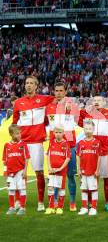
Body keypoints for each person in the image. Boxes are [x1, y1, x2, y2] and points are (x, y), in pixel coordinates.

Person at [13, 76, 55, 211]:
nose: (29, 85)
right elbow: (14, 124)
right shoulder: (18, 102)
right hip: (22, 143)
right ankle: (19, 201)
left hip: (37, 143)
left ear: (36, 86)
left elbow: (58, 98)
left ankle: (41, 202)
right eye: (27, 83)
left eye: (31, 83)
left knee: (39, 173)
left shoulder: (44, 99)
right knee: (20, 173)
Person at [46, 82, 80, 211]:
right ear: (54, 92)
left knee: (71, 175)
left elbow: (80, 119)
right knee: (54, 176)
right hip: (54, 147)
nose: (58, 93)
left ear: (65, 92)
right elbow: (45, 124)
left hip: (69, 146)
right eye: (56, 90)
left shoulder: (73, 106)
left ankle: (72, 202)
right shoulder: (49, 108)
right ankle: (54, 201)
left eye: (61, 91)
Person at [79, 96, 108, 212]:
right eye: (94, 100)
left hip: (105, 152)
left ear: (105, 103)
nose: (96, 102)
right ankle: (89, 203)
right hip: (91, 153)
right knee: (90, 178)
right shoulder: (88, 114)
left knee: (106, 179)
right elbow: (77, 116)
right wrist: (85, 109)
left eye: (99, 100)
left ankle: (107, 203)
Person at [3, 125, 29, 215]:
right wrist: (5, 172)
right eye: (17, 134)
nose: (19, 135)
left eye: (19, 133)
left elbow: (27, 158)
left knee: (22, 188)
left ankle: (22, 208)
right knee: (11, 189)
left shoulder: (23, 144)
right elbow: (5, 159)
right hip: (10, 173)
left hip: (20, 171)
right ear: (11, 134)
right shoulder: (7, 145)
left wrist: (25, 171)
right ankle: (12, 207)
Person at [77, 121, 102, 216]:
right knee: (84, 189)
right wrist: (79, 169)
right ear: (83, 129)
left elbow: (99, 157)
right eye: (86, 129)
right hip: (83, 171)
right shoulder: (80, 143)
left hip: (93, 171)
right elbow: (78, 156)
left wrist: (97, 170)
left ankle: (93, 207)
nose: (88, 131)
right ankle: (84, 207)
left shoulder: (97, 142)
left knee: (93, 189)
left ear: (93, 130)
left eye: (90, 129)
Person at [45, 126, 71, 215]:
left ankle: (60, 207)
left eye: (60, 132)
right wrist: (49, 167)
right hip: (52, 170)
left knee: (61, 189)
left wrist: (61, 168)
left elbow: (68, 158)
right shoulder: (51, 142)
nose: (58, 134)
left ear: (63, 133)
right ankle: (51, 207)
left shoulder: (66, 143)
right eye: (56, 132)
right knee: (50, 188)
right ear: (53, 133)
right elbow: (48, 155)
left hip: (61, 171)